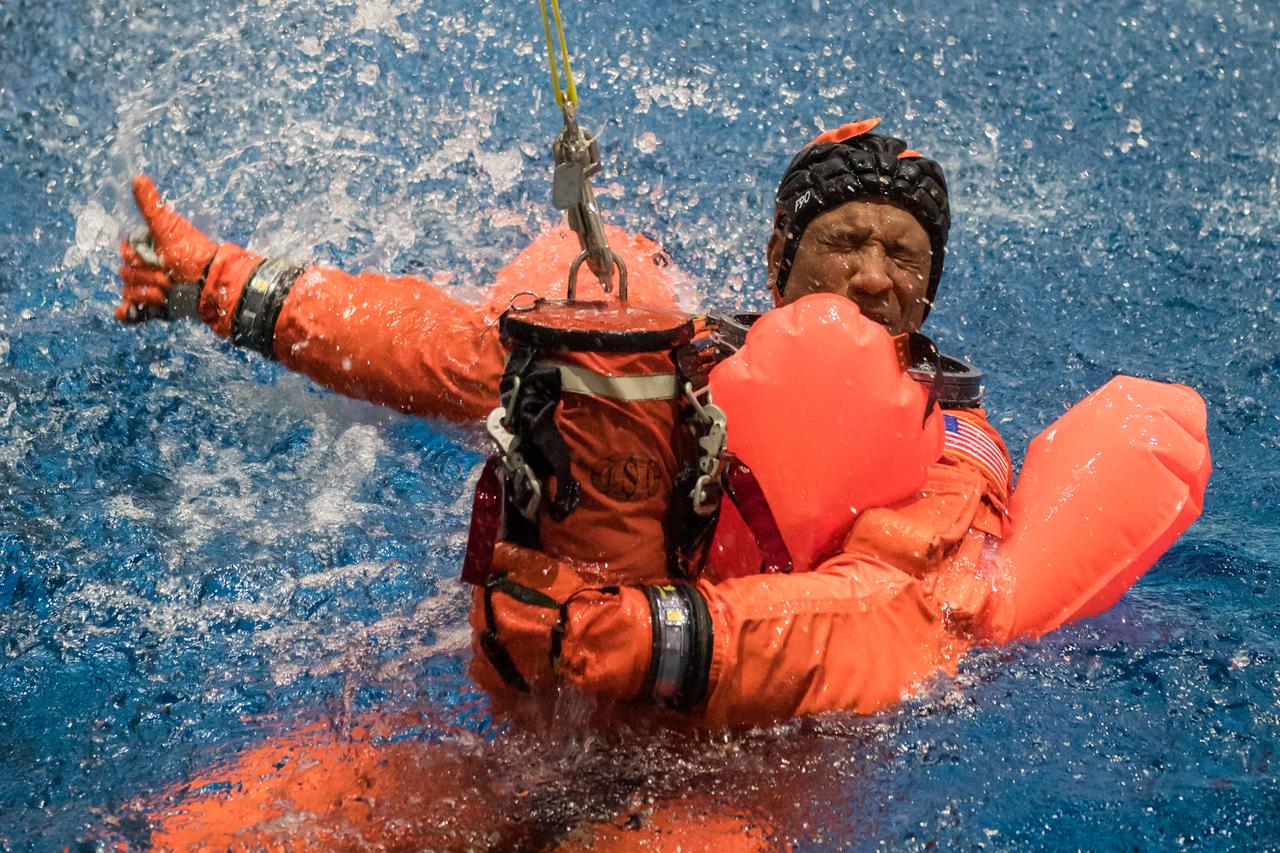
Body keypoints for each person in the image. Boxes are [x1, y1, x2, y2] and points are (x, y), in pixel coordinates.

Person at [112, 118, 1189, 725]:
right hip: (555, 697)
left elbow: (895, 616)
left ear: (927, 288)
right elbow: (447, 351)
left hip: (751, 763)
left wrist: (653, 636)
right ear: (779, 261)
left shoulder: (951, 446)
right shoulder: (672, 360)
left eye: (901, 255)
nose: (869, 276)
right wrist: (223, 285)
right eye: (841, 242)